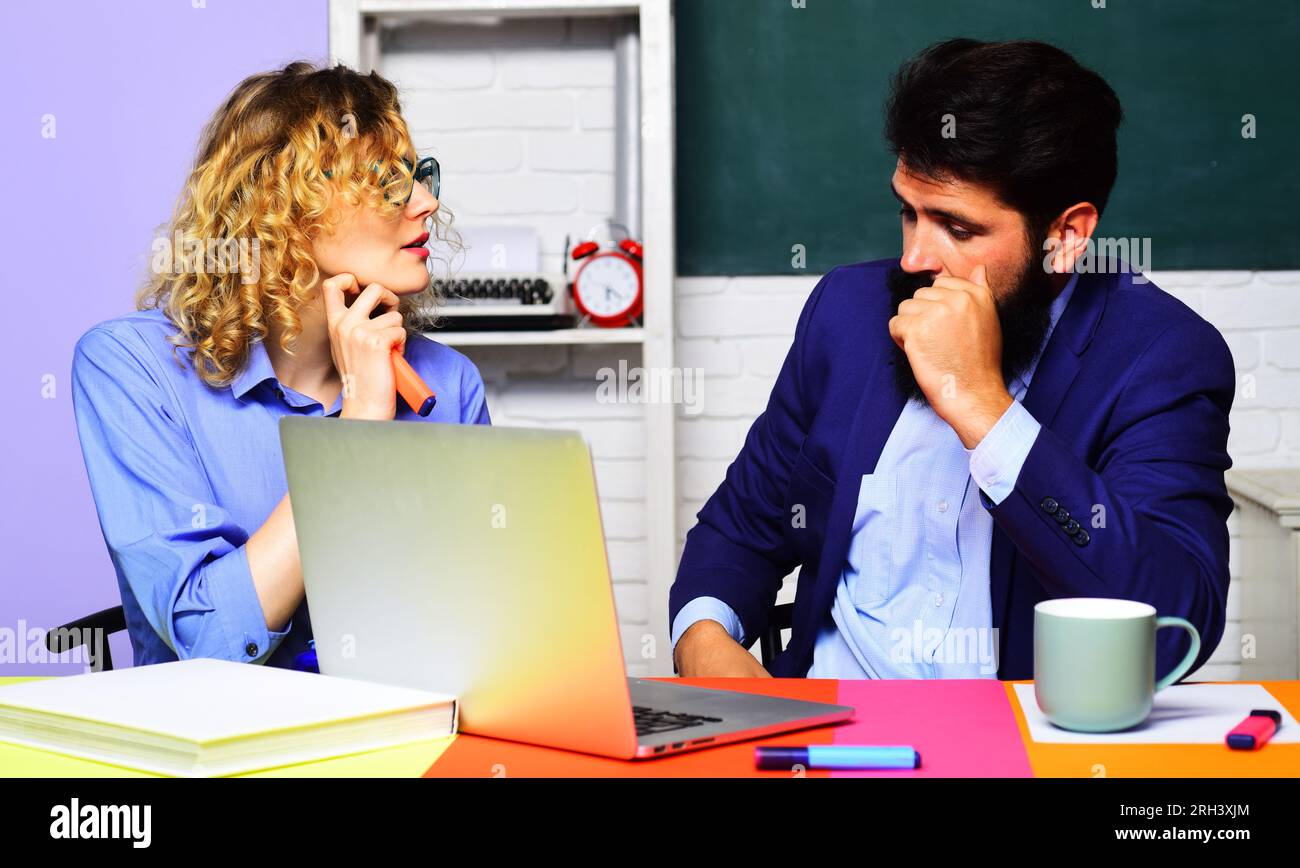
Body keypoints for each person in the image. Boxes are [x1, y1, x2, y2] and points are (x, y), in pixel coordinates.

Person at [670, 39, 1235, 681]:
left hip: (1018, 746)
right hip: (819, 736)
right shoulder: (846, 314)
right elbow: (740, 527)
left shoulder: (1161, 357)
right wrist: (707, 644)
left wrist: (983, 409)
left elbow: (1172, 625)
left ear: (1066, 235)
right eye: (908, 213)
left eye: (958, 228)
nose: (914, 258)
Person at [71, 62, 490, 669]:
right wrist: (360, 426)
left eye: (418, 177)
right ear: (286, 211)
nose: (425, 202)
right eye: (387, 182)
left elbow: (480, 634)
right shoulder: (131, 368)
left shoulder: (448, 385)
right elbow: (210, 646)